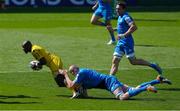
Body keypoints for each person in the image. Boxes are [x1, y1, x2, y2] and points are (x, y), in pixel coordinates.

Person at [110, 3, 167, 78]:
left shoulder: (126, 17)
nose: (117, 10)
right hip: (120, 43)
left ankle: (153, 65)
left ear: (123, 9)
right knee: (115, 61)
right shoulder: (120, 17)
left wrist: (124, 35)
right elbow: (123, 27)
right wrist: (114, 29)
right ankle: (109, 79)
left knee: (133, 61)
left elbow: (134, 27)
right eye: (116, 9)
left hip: (127, 42)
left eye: (119, 9)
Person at [61, 65, 171, 100]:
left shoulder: (81, 73)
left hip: (108, 82)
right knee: (132, 89)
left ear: (76, 69)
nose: (72, 73)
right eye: (71, 72)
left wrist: (65, 74)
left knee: (122, 97)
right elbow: (83, 92)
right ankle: (156, 80)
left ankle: (146, 88)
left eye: (72, 71)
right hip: (109, 81)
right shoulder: (82, 76)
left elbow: (71, 85)